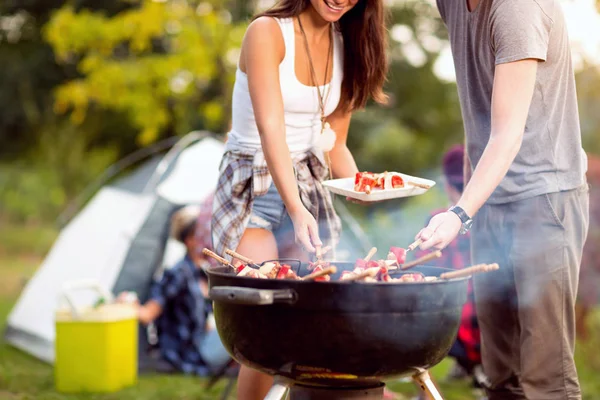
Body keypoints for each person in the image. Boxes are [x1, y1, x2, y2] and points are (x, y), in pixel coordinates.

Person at [210, 0, 390, 398]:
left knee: (317, 316)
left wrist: (362, 187)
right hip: (252, 188)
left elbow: (336, 145)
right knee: (265, 318)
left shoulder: (349, 45)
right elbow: (269, 126)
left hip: (308, 188)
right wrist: (295, 208)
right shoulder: (267, 33)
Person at [416, 1, 590, 399]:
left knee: (546, 377)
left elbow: (507, 133)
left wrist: (458, 212)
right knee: (500, 373)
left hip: (543, 202)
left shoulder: (517, 8)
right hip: (490, 200)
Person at [119, 202, 231, 377]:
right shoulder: (177, 274)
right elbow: (148, 313)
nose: (210, 239)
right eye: (203, 235)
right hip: (190, 352)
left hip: (201, 343)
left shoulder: (202, 273)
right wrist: (126, 303)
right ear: (190, 240)